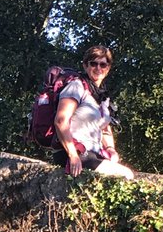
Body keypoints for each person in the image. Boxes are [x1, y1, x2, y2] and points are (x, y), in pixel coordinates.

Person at [54, 45, 134, 178]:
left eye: (103, 64)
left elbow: (104, 128)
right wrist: (73, 155)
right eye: (93, 64)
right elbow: (61, 120)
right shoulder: (76, 86)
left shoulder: (103, 97)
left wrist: (110, 149)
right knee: (126, 175)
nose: (98, 68)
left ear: (108, 68)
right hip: (73, 152)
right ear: (85, 66)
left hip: (92, 153)